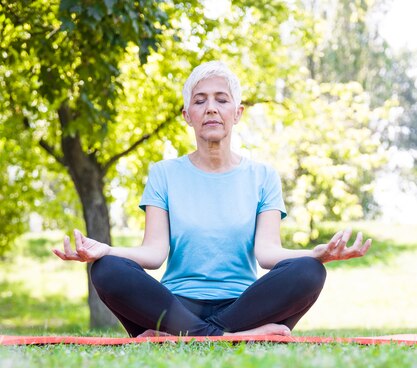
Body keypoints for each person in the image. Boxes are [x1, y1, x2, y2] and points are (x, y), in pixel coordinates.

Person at [53, 61, 372, 337]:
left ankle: (186, 336)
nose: (211, 108)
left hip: (243, 306)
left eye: (222, 100)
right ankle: (230, 336)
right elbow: (153, 254)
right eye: (200, 101)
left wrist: (315, 253)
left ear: (238, 113)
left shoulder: (263, 176)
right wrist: (105, 250)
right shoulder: (164, 173)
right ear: (187, 115)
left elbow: (267, 254)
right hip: (175, 306)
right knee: (105, 270)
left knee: (310, 272)